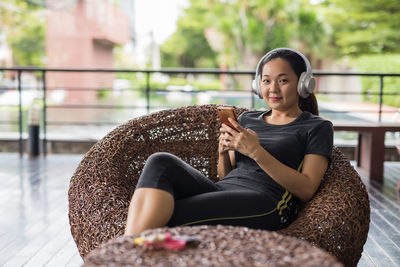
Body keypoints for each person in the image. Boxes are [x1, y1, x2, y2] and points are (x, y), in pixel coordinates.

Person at [124, 48, 333, 236]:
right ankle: (126, 247)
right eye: (267, 81)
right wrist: (223, 151)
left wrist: (256, 151)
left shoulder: (316, 127)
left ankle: (124, 254)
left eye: (283, 80)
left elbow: (306, 189)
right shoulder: (247, 119)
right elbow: (226, 175)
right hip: (224, 190)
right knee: (161, 162)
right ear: (258, 85)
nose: (273, 89)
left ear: (303, 83)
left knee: (164, 214)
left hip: (266, 203)